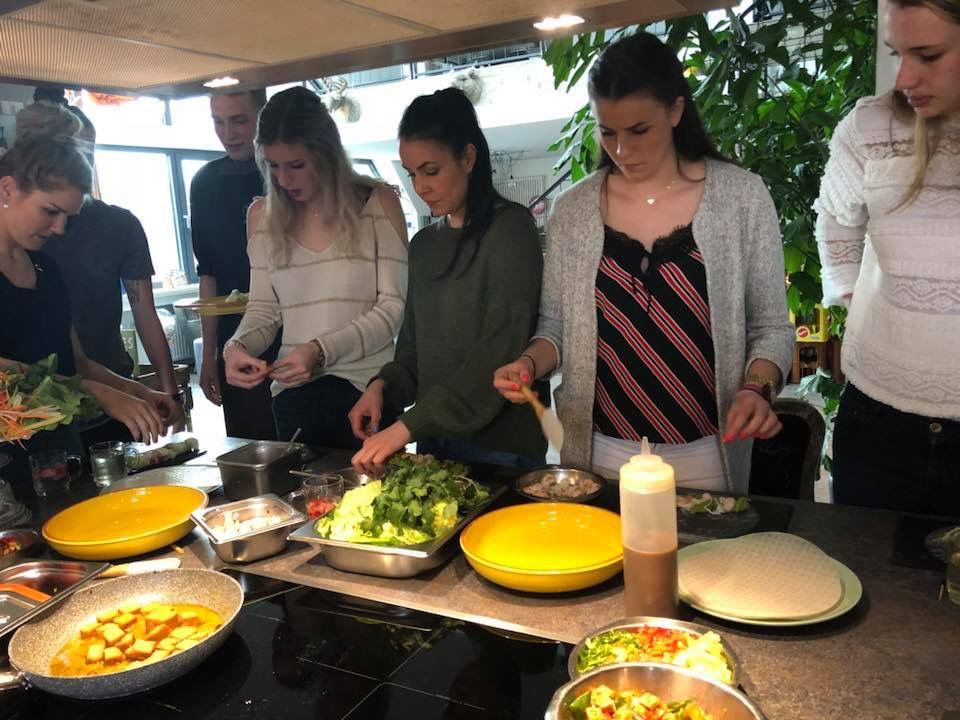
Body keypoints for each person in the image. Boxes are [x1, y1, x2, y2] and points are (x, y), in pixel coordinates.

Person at [493, 32, 794, 493]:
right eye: (607, 132)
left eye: (639, 131)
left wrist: (756, 387)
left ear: (675, 111)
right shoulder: (574, 211)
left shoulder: (741, 197)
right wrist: (529, 364)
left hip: (708, 453)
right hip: (599, 455)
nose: (622, 150)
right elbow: (555, 326)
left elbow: (772, 327)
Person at [349, 88, 546, 473]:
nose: (420, 186)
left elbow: (498, 352)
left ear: (468, 157)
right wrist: (382, 387)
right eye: (411, 173)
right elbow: (412, 350)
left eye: (431, 170)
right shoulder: (424, 245)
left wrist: (406, 426)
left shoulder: (511, 229)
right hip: (436, 447)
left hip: (505, 450)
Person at [815, 0, 960, 514]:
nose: (903, 78)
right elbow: (837, 218)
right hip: (878, 424)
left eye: (928, 54)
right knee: (868, 584)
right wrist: (853, 298)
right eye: (898, 54)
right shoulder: (869, 127)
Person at [223, 86, 408, 448]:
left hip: (369, 391)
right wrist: (235, 347)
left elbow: (393, 308)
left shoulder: (376, 203)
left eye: (296, 165)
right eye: (273, 166)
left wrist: (320, 350)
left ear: (327, 155)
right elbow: (264, 309)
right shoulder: (261, 216)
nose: (283, 180)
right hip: (293, 396)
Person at [0, 128, 177, 475]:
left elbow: (75, 361)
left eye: (69, 216)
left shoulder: (45, 267)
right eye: (50, 211)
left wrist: (137, 391)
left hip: (59, 453)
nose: (60, 228)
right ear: (7, 189)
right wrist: (94, 393)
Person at [191, 89, 279, 440]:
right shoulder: (205, 182)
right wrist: (210, 353)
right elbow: (207, 274)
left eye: (239, 120)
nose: (228, 133)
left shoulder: (284, 175)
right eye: (218, 121)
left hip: (292, 335)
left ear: (263, 118)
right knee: (248, 441)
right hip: (234, 339)